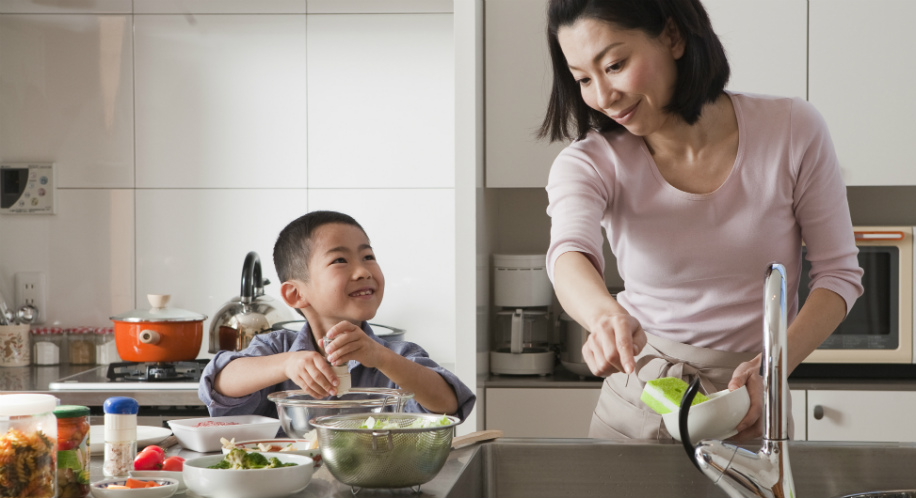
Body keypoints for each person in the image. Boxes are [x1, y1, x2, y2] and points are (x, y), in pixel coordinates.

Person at [540, 0, 864, 440]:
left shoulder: (792, 129)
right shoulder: (590, 162)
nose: (601, 95)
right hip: (638, 400)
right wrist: (604, 317)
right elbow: (569, 253)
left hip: (749, 401)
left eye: (614, 65)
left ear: (673, 36)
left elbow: (838, 275)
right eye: (582, 79)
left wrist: (771, 368)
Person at [198, 210, 476, 421]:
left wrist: (380, 357)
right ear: (296, 294)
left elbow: (449, 403)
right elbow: (220, 381)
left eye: (368, 256)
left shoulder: (397, 357)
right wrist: (287, 364)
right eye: (340, 260)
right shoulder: (276, 349)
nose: (364, 271)